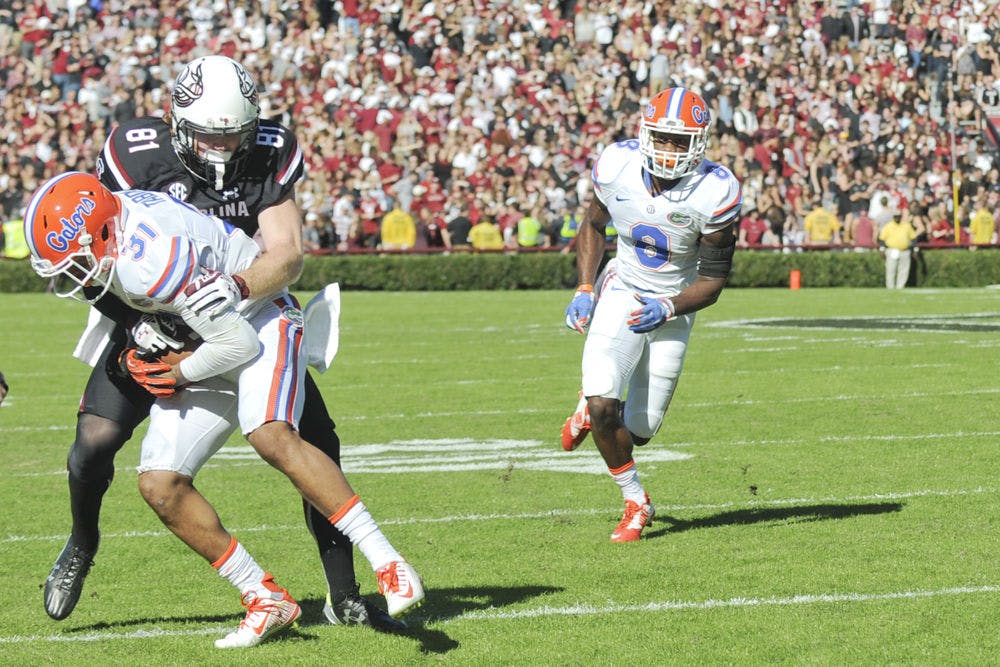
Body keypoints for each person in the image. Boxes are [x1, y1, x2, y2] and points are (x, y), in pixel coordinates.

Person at [47, 55, 406, 632]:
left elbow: (285, 254)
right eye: (209, 133)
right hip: (150, 314)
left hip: (240, 310)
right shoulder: (134, 151)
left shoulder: (267, 149)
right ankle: (81, 544)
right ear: (178, 121)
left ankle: (345, 593)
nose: (221, 146)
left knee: (313, 441)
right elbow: (91, 256)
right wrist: (142, 329)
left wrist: (230, 289)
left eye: (232, 133)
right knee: (93, 441)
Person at [561, 87, 741, 542]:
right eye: (661, 137)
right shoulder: (617, 165)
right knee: (606, 404)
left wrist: (668, 306)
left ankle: (592, 408)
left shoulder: (715, 191)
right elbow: (594, 224)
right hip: (622, 289)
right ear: (645, 132)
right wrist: (585, 286)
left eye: (679, 142)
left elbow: (714, 281)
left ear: (699, 144)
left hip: (675, 304)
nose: (668, 149)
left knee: (638, 430)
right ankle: (636, 500)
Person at [877, 210, 918, 289]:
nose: (897, 218)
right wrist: (882, 249)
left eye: (898, 216)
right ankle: (890, 287)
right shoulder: (888, 226)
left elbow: (913, 238)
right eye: (895, 216)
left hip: (904, 250)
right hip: (892, 250)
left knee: (904, 270)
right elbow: (882, 239)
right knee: (890, 270)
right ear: (893, 217)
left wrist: (915, 249)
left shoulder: (906, 226)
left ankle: (900, 287)